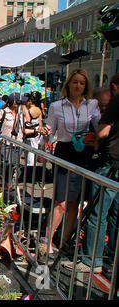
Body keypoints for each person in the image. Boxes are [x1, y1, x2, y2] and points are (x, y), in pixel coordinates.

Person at [62, 73, 118, 275]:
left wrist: (95, 141)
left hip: (110, 162)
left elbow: (102, 132)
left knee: (98, 211)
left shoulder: (117, 99)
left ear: (114, 87)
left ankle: (91, 260)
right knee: (114, 214)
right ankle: (110, 258)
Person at [41, 68, 101, 257]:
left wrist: (97, 139)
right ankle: (47, 241)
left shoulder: (92, 104)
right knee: (60, 201)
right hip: (65, 152)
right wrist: (45, 135)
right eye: (75, 82)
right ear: (68, 84)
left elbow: (100, 129)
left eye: (82, 83)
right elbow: (49, 135)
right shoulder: (57, 106)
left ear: (86, 86)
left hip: (84, 153)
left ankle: (64, 241)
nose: (78, 86)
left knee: (75, 202)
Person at [23, 91, 44, 166]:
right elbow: (40, 121)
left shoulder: (28, 110)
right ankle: (32, 165)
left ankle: (29, 165)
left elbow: (27, 120)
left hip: (29, 131)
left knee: (29, 150)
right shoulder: (39, 109)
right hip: (37, 131)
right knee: (34, 149)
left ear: (30, 101)